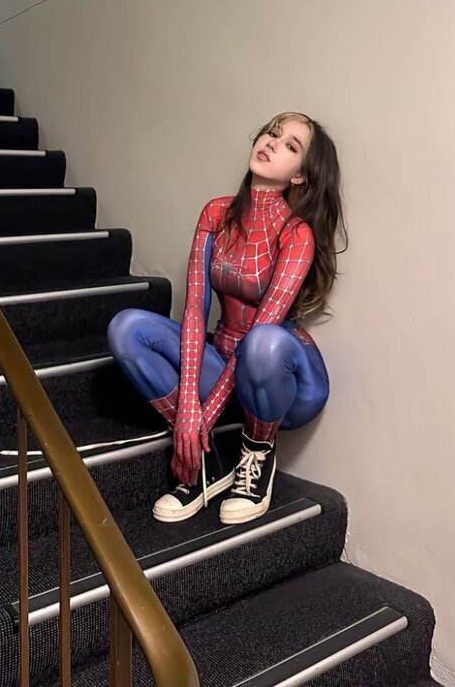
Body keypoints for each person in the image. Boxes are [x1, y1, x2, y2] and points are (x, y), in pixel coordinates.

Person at [107, 111, 346, 525]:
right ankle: (208, 460)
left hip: (286, 378)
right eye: (272, 133)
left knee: (261, 340)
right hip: (225, 360)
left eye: (290, 146)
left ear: (299, 176)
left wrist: (203, 414)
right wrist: (187, 411)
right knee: (125, 328)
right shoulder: (216, 213)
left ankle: (257, 454)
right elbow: (194, 313)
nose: (271, 143)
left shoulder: (296, 233)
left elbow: (265, 325)